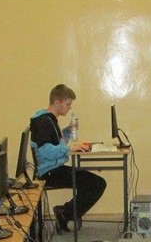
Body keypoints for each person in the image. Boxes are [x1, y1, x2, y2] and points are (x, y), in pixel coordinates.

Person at [29, 84, 106, 233]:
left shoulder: (50, 119)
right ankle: (64, 213)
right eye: (68, 104)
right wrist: (70, 148)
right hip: (49, 172)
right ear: (57, 102)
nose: (69, 108)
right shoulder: (43, 122)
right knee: (97, 184)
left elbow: (57, 143)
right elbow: (45, 151)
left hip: (54, 168)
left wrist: (68, 131)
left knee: (93, 183)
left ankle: (65, 212)